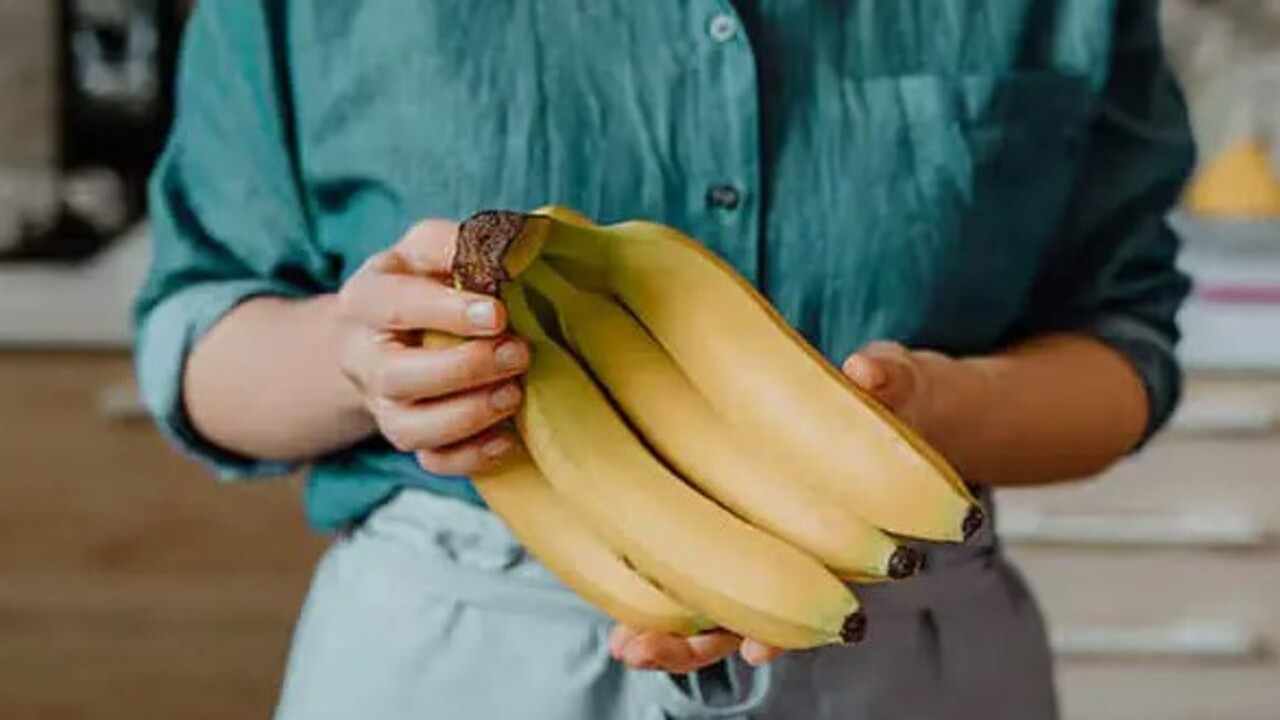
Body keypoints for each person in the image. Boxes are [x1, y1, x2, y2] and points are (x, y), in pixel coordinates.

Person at [134, 1, 1194, 718]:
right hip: (462, 655)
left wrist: (932, 410)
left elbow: (1122, 339)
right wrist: (354, 359)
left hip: (901, 629)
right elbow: (201, 331)